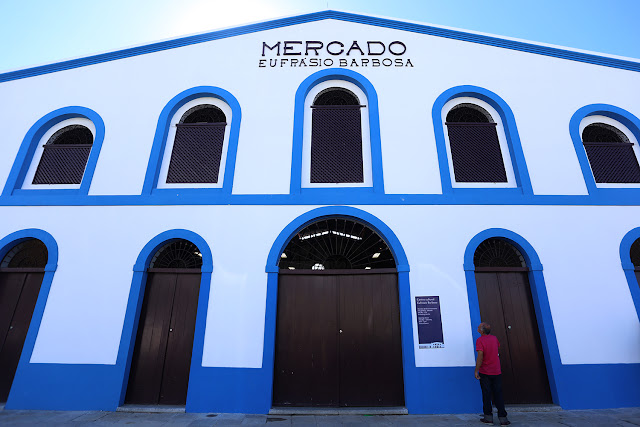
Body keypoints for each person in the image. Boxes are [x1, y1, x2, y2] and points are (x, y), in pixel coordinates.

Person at [475, 322, 510, 425]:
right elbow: (495, 349)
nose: (477, 328)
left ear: (482, 330)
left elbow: (480, 356)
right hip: (496, 371)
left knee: (486, 395)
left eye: (478, 327)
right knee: (498, 394)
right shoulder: (494, 339)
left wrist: (476, 369)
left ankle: (488, 418)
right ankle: (503, 418)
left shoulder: (480, 340)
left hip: (485, 372)